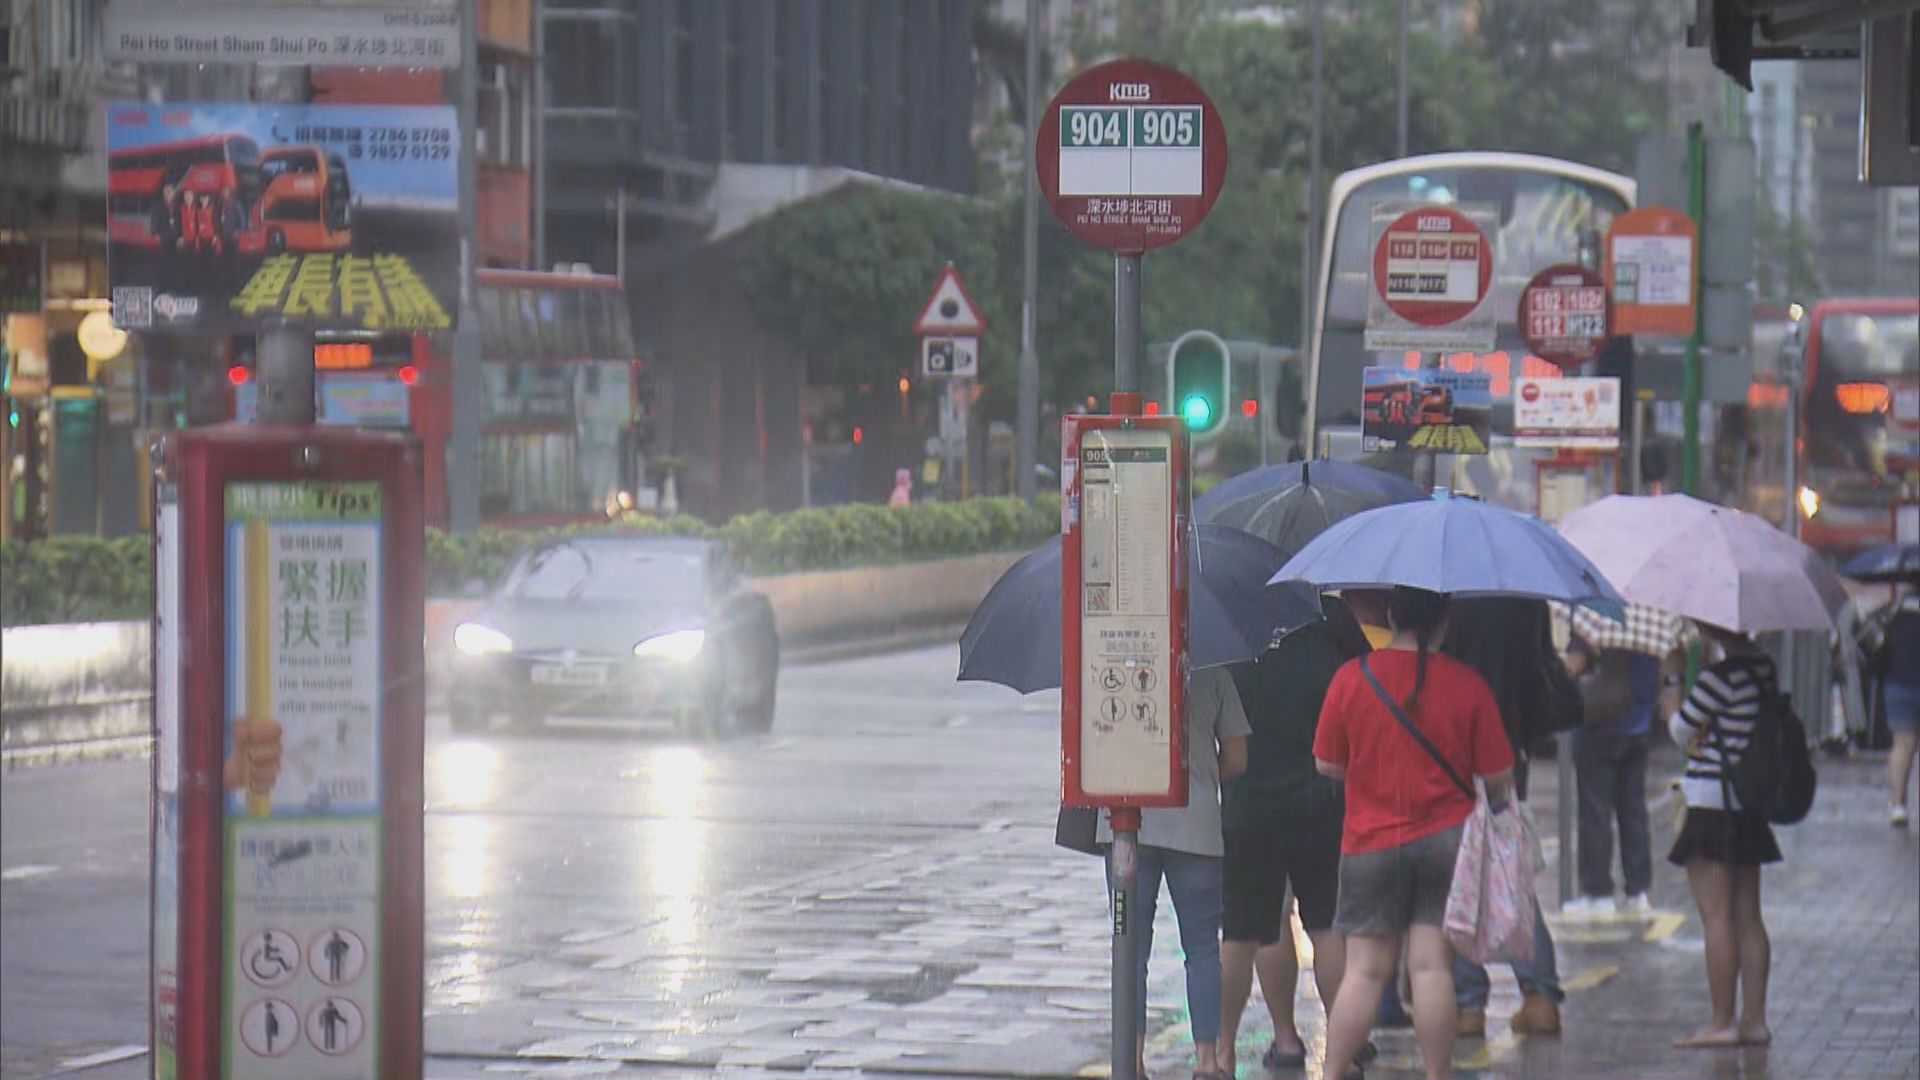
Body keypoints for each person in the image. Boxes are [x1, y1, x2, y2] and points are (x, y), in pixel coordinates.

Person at [1314, 588, 1515, 1080]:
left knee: (1364, 970)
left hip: (1370, 841)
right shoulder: (1468, 685)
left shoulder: (1351, 679)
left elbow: (1327, 763)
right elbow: (1499, 776)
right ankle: (1438, 1074)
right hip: (1447, 844)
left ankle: (1335, 1070)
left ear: (1389, 615)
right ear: (1445, 620)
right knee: (1431, 968)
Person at [1220, 600, 1373, 1076]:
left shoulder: (1229, 614)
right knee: (1327, 925)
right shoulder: (1327, 616)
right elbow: (1364, 683)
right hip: (1321, 794)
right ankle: (1344, 1048)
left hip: (1249, 799)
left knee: (1249, 930)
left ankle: (1237, 1050)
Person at [1098, 664, 1249, 1080]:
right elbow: (1237, 756)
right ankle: (1207, 1062)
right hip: (1195, 824)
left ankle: (1131, 1060)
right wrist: (1199, 774)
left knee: (1130, 950)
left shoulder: (1108, 661)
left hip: (1125, 824)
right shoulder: (1212, 667)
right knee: (1202, 951)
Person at [1438, 597, 1569, 1037]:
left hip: (1450, 745)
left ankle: (1469, 1003)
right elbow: (1541, 671)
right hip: (1509, 747)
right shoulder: (1521, 594)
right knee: (1506, 872)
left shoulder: (1448, 592)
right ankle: (1539, 993)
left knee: (1459, 876)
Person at [1667, 624, 1781, 1048]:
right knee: (1748, 914)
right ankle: (1754, 1019)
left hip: (1712, 803)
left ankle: (1720, 1021)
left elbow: (1679, 730)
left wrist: (1674, 679)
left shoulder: (1720, 677)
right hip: (1746, 801)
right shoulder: (1762, 668)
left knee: (1716, 917)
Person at [1566, 633, 1659, 914]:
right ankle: (1637, 890)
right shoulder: (1648, 618)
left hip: (1600, 725)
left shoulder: (1598, 619)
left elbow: (1573, 665)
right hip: (1639, 725)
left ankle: (1598, 892)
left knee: (1595, 812)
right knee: (1633, 812)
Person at [1874, 585, 1919, 826]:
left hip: (1899, 684)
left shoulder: (1896, 614)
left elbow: (1881, 653)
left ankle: (1898, 805)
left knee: (1902, 745)